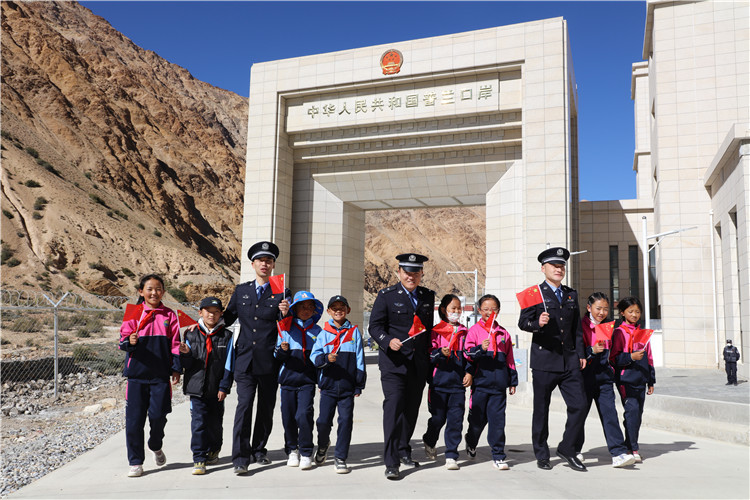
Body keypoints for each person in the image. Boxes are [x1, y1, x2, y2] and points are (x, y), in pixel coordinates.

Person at [221, 241, 291, 475]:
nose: (265, 264)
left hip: (269, 360)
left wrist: (285, 313)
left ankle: (259, 450)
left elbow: (286, 326)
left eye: (269, 261)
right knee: (244, 406)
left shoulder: (282, 292)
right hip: (245, 359)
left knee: (266, 407)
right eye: (260, 260)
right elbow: (227, 318)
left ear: (273, 265)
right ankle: (240, 458)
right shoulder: (242, 290)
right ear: (253, 264)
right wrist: (201, 325)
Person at [517, 247, 587, 472]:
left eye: (562, 265)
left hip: (569, 360)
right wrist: (538, 324)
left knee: (580, 405)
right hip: (545, 360)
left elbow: (576, 328)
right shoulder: (533, 293)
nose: (559, 269)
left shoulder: (570, 294)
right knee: (541, 410)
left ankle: (567, 448)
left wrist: (581, 354)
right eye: (554, 265)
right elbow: (523, 323)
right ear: (543, 268)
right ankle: (542, 453)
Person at [369, 252, 435, 480]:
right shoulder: (386, 296)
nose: (411, 277)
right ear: (399, 272)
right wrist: (388, 341)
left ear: (421, 273)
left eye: (415, 273)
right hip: (394, 364)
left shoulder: (427, 296)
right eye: (407, 272)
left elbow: (427, 330)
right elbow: (374, 326)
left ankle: (403, 449)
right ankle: (391, 462)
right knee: (394, 408)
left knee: (411, 410)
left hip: (418, 364)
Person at [118, 274, 181, 478]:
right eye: (150, 289)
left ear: (163, 291)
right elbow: (122, 342)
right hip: (136, 377)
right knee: (134, 422)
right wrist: (130, 341)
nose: (154, 293)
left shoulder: (169, 315)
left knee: (158, 416)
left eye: (158, 289)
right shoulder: (133, 313)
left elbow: (175, 344)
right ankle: (136, 462)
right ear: (141, 291)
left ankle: (155, 445)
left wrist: (176, 369)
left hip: (160, 377)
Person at [574, 293, 636, 468]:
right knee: (579, 416)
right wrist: (591, 351)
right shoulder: (579, 326)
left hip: (604, 378)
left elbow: (615, 353)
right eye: (598, 308)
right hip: (584, 377)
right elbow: (575, 352)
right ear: (589, 308)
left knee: (610, 415)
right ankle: (574, 449)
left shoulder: (610, 326)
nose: (602, 312)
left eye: (606, 309)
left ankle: (618, 453)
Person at [311, 295, 367, 474]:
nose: (338, 310)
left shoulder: (354, 332)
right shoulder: (323, 333)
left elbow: (360, 359)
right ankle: (323, 445)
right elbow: (314, 356)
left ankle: (341, 457)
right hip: (328, 387)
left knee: (345, 422)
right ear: (328, 311)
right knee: (323, 422)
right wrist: (326, 359)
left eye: (342, 307)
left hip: (347, 388)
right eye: (334, 308)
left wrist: (359, 384)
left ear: (348, 310)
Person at [179, 296, 233, 475]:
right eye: (208, 311)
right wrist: (186, 354)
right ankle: (199, 458)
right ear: (200, 312)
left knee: (215, 424)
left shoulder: (227, 336)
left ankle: (214, 449)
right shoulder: (190, 334)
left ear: (221, 314)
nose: (212, 315)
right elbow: (186, 364)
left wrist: (224, 387)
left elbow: (229, 364)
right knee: (199, 423)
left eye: (216, 312)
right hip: (197, 389)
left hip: (216, 390)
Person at [464, 294, 517, 471]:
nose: (489, 312)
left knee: (497, 421)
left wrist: (512, 380)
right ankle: (471, 441)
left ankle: (498, 455)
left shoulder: (503, 334)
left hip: (498, 386)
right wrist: (481, 348)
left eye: (493, 309)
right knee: (477, 420)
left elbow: (510, 359)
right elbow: (467, 354)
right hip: (480, 384)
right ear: (479, 310)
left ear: (498, 311)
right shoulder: (474, 331)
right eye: (486, 309)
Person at [422, 294, 472, 471]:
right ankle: (429, 439)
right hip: (438, 383)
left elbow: (469, 356)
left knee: (455, 420)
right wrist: (439, 353)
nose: (456, 311)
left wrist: (469, 372)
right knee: (438, 418)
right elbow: (428, 355)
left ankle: (451, 454)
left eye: (459, 308)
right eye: (453, 308)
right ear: (444, 310)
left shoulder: (465, 332)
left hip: (458, 385)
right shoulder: (436, 331)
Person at [275, 291, 323, 470]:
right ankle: (292, 450)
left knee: (304, 415)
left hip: (307, 382)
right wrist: (283, 350)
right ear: (294, 309)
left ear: (314, 310)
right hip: (287, 381)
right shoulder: (285, 328)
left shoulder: (318, 331)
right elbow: (277, 355)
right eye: (302, 306)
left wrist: (322, 381)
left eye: (310, 307)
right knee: (288, 417)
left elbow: (320, 359)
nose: (306, 310)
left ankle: (306, 451)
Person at [610, 296, 655, 463]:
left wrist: (651, 380)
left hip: (641, 379)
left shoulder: (644, 333)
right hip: (626, 380)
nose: (634, 315)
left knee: (637, 414)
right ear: (622, 313)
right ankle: (632, 448)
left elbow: (649, 358)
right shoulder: (619, 332)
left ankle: (630, 444)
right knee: (632, 412)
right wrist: (631, 357)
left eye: (637, 311)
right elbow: (613, 358)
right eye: (630, 311)